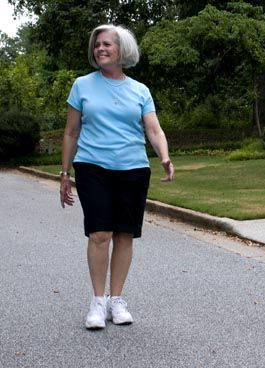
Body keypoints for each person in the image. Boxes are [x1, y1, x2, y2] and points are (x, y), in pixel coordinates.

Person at [59, 24, 174, 330]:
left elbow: (154, 129)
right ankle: (97, 302)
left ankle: (117, 300)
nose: (100, 49)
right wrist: (64, 173)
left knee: (124, 234)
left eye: (107, 44)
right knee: (100, 233)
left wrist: (163, 155)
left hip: (133, 169)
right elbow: (71, 132)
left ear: (122, 50)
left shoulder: (140, 90)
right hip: (92, 167)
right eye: (97, 45)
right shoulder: (81, 85)